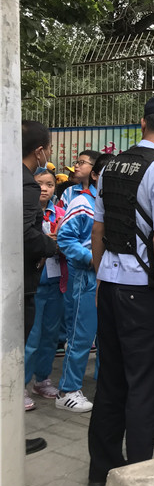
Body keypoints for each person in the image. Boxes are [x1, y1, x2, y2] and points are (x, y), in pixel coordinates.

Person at [87, 96, 154, 486]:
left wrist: (102, 278)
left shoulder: (110, 167)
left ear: (143, 123)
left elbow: (98, 230)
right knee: (145, 387)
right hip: (143, 295)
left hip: (111, 287)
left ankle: (101, 472)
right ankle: (138, 479)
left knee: (110, 383)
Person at [55, 153, 112, 413]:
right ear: (96, 176)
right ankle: (67, 391)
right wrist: (92, 259)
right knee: (81, 335)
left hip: (109, 277)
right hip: (85, 277)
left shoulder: (113, 204)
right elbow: (65, 239)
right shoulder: (81, 202)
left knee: (107, 335)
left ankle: (104, 383)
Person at [21, 120, 59, 455]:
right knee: (17, 351)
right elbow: (23, 234)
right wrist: (51, 245)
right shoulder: (26, 184)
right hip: (22, 282)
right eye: (47, 148)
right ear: (39, 151)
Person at [24, 168, 65, 411]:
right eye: (40, 183)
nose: (45, 189)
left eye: (50, 184)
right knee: (31, 337)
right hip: (35, 283)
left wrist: (59, 242)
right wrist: (45, 242)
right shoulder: (27, 214)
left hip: (56, 282)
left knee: (51, 334)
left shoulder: (60, 213)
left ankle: (42, 379)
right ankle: (20, 385)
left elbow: (71, 241)